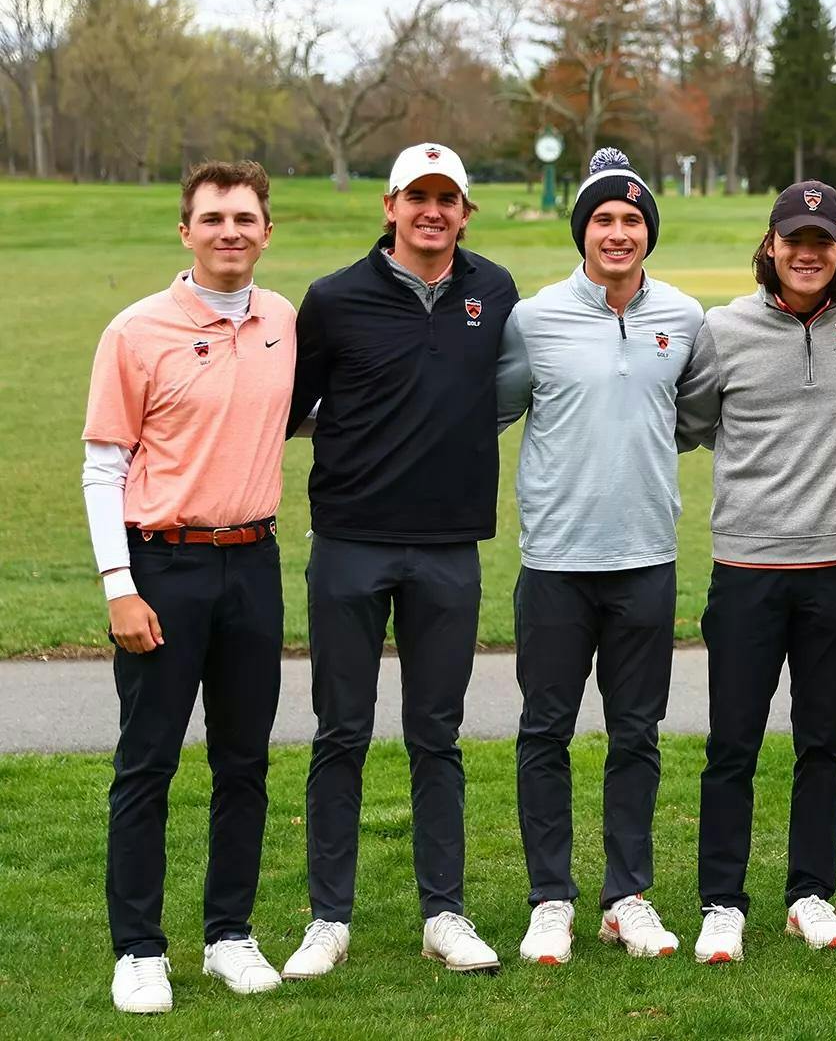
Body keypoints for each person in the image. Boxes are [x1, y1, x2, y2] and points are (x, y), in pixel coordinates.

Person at [281, 142, 520, 978]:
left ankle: (444, 914)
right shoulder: (334, 299)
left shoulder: (493, 291)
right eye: (417, 196)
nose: (432, 211)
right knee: (340, 732)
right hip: (350, 541)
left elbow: (499, 395)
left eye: (447, 198)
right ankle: (327, 919)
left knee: (436, 735)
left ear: (465, 210)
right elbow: (291, 409)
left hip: (450, 545)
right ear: (389, 205)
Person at [674, 181, 836, 963]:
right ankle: (721, 902)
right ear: (770, 246)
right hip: (746, 569)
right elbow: (692, 421)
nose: (808, 254)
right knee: (732, 744)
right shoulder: (721, 329)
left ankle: (809, 892)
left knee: (823, 742)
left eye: (823, 242)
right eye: (794, 240)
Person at [83, 161, 293, 1014]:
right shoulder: (135, 331)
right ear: (185, 232)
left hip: (255, 562)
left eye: (245, 218)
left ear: (267, 231)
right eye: (212, 219)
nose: (230, 231)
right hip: (162, 564)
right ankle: (138, 951)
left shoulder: (281, 319)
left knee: (244, 764)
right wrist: (117, 585)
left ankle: (229, 937)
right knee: (148, 764)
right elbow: (104, 466)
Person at [496, 148, 703, 966]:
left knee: (636, 734)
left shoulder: (683, 318)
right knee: (544, 731)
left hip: (645, 557)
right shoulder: (534, 318)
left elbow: (694, 412)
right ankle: (551, 899)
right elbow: (495, 411)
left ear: (650, 231)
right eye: (603, 220)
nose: (618, 233)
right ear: (582, 231)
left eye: (633, 220)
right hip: (554, 560)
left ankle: (628, 896)